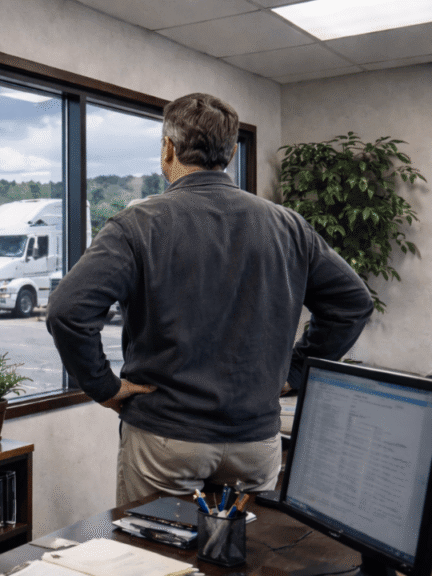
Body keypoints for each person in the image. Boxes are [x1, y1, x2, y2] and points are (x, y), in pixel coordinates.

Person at [45, 93, 374, 506]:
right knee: (247, 560)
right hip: (256, 441)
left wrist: (105, 387)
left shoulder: (138, 224)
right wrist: (298, 369)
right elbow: (353, 304)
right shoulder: (289, 226)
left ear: (168, 149)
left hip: (166, 438)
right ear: (232, 152)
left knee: (155, 560)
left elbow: (67, 312)